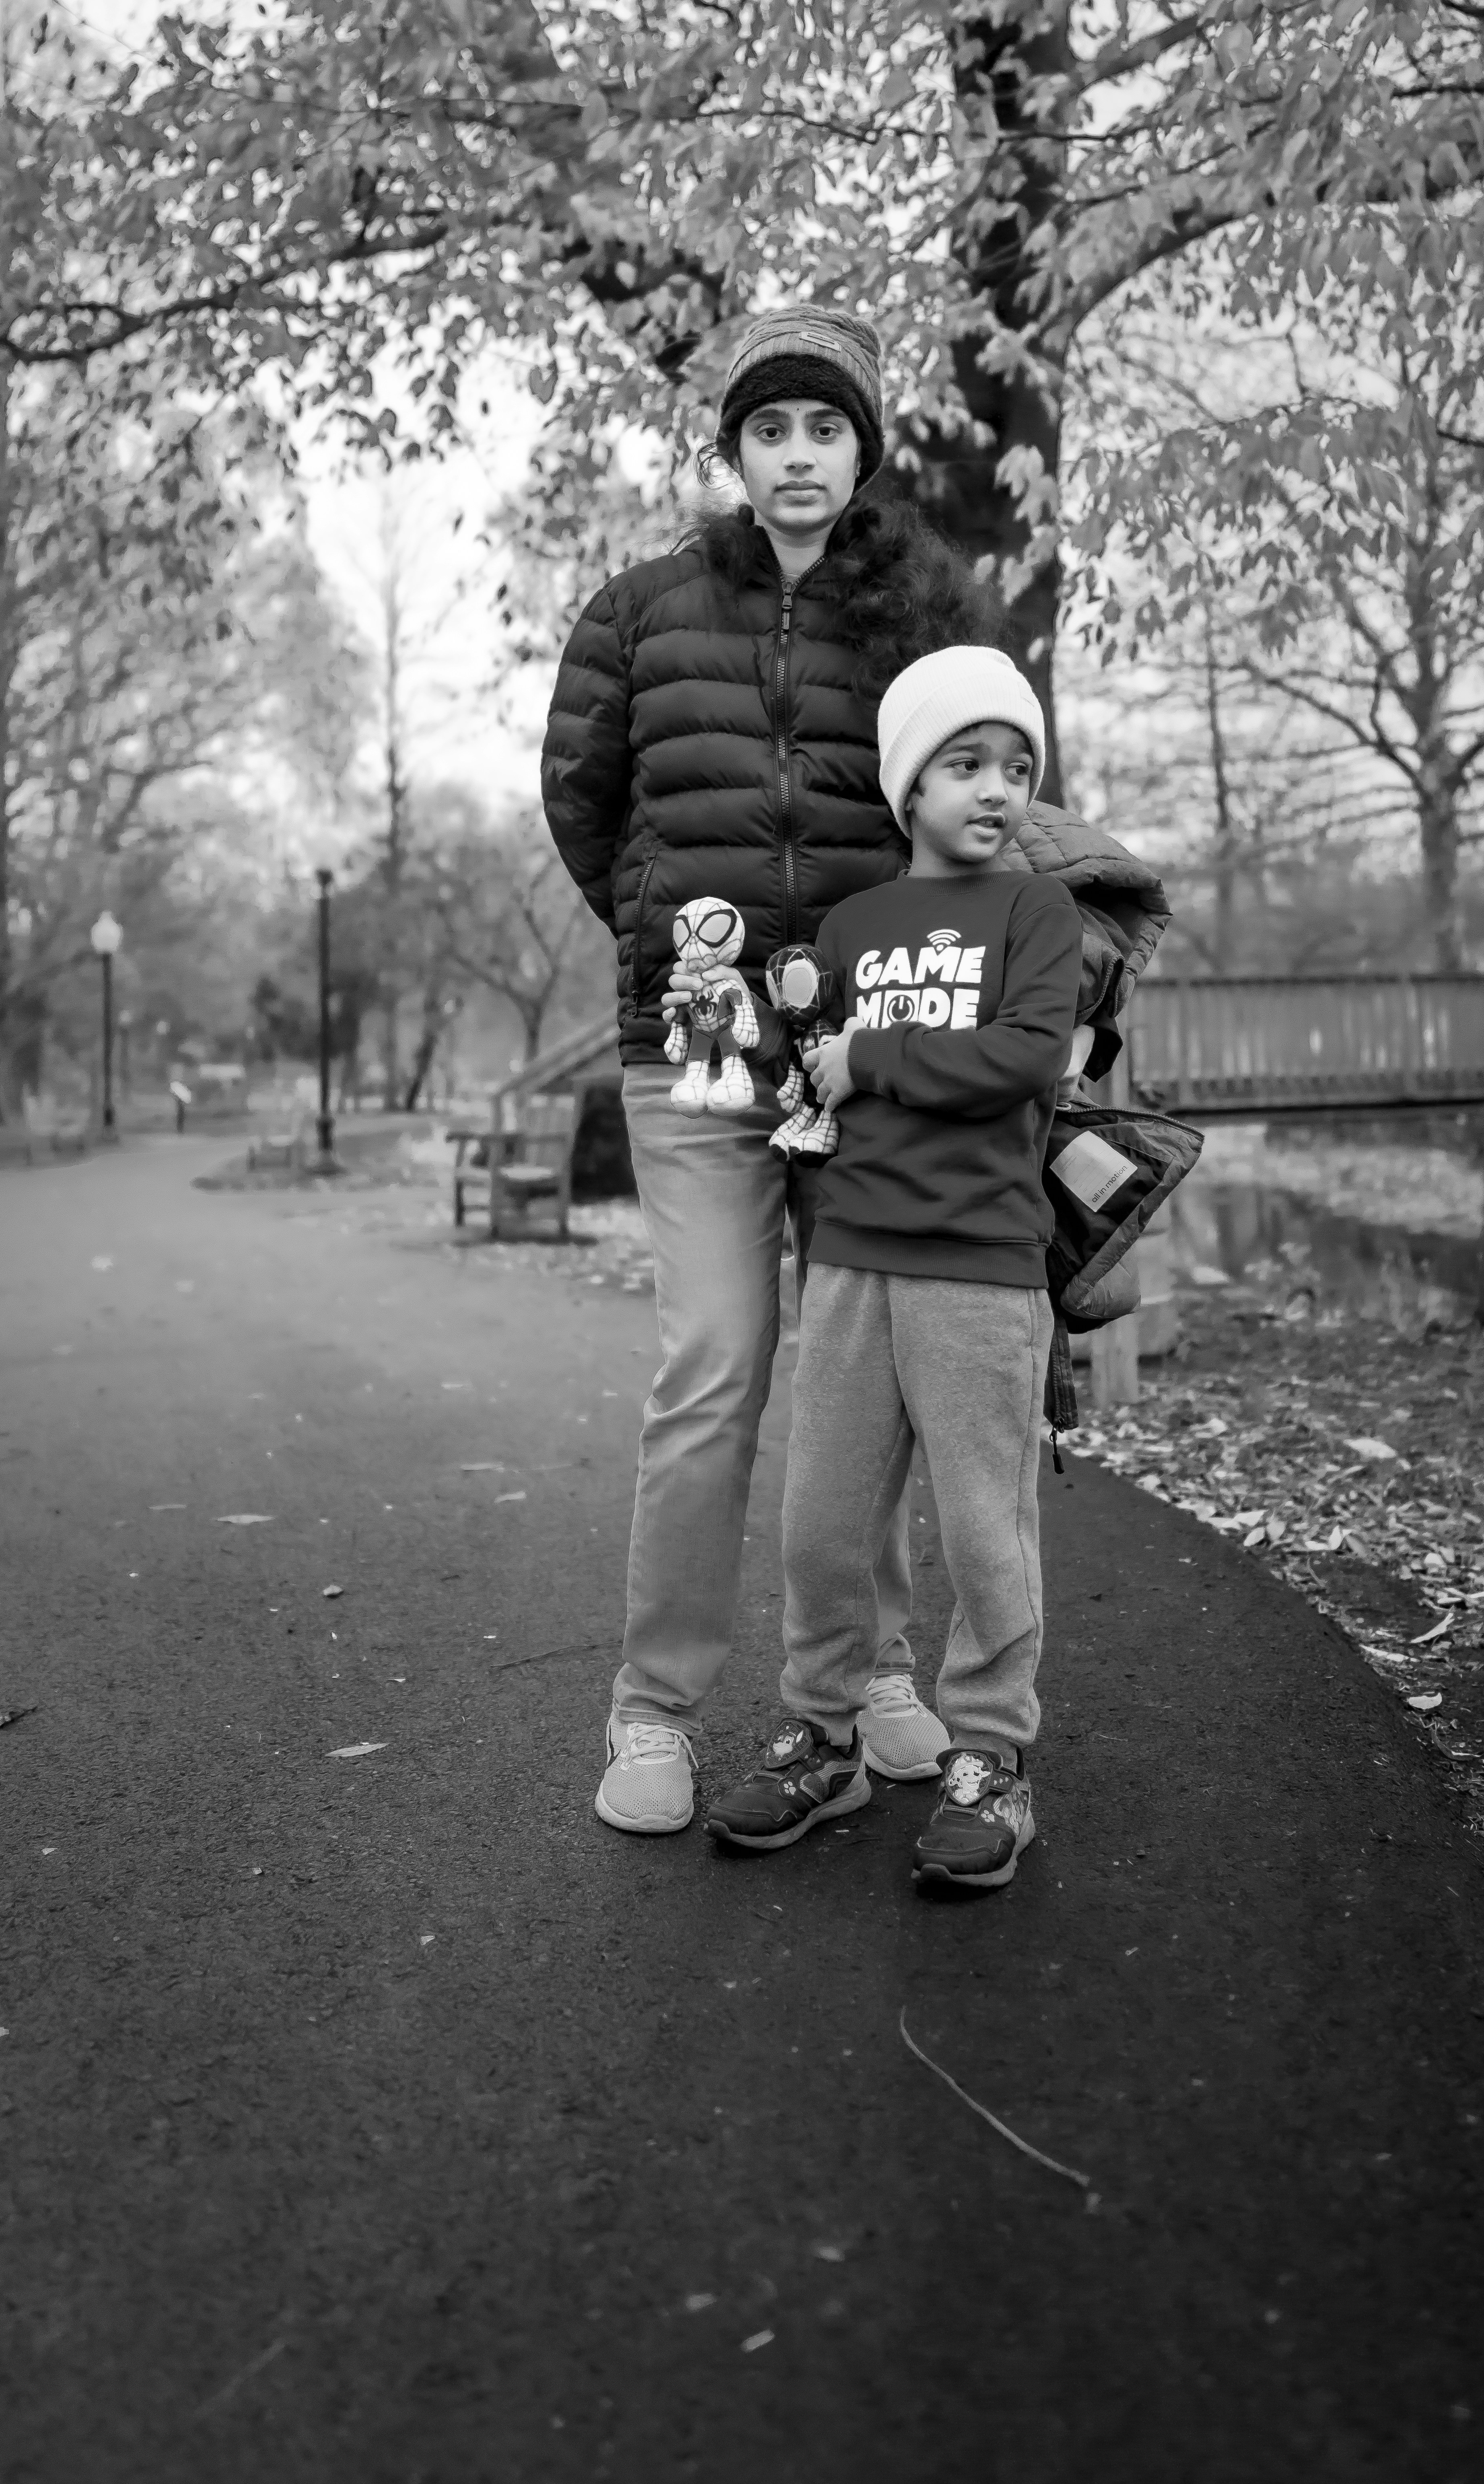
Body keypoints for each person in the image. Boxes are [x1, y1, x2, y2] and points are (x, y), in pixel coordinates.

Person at [542, 306, 992, 1834]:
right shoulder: (637, 612)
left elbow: (970, 805)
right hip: (701, 1057)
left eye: (825, 430)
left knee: (863, 1383)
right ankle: (653, 1713)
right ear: (731, 451)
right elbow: (587, 809)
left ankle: (866, 1673)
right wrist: (681, 946)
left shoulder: (927, 618)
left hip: (868, 1053)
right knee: (717, 1370)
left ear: (863, 449)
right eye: (769, 431)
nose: (798, 457)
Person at [703, 645, 1075, 1894]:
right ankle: (825, 1736)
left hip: (981, 1267)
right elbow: (815, 1069)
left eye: (1016, 768)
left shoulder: (1038, 913)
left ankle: (990, 1763)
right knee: (824, 1522)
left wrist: (877, 1061)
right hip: (853, 1258)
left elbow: (1026, 1059)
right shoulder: (856, 928)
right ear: (908, 787)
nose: (994, 789)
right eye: (965, 764)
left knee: (983, 1529)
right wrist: (798, 1054)